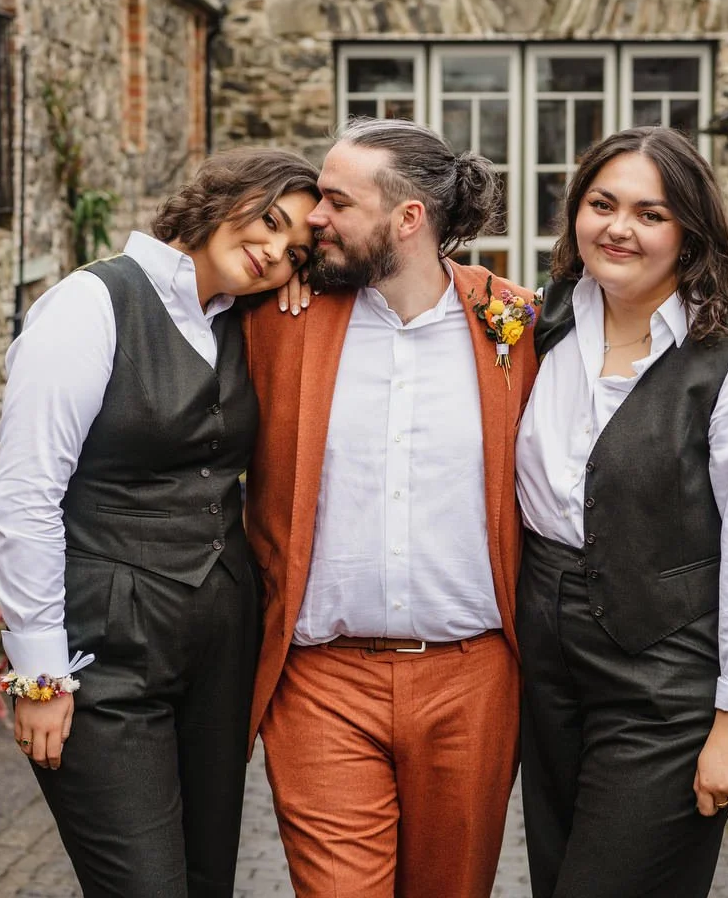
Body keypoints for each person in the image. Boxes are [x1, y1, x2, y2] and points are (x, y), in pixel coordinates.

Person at [0, 148, 319, 898]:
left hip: (219, 650)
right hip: (106, 657)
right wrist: (40, 675)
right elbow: (25, 498)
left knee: (207, 881)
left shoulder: (247, 316)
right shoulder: (90, 305)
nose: (272, 251)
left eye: (295, 249)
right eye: (269, 220)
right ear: (223, 194)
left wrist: (305, 280)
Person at [515, 126, 728, 897]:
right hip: (545, 670)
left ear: (691, 231)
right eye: (602, 204)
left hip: (663, 680)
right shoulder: (544, 322)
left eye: (650, 214)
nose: (618, 228)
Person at [241, 117, 539, 898]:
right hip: (321, 685)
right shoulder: (279, 319)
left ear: (409, 219)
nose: (314, 217)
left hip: (472, 680)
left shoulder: (517, 325)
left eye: (336, 201)